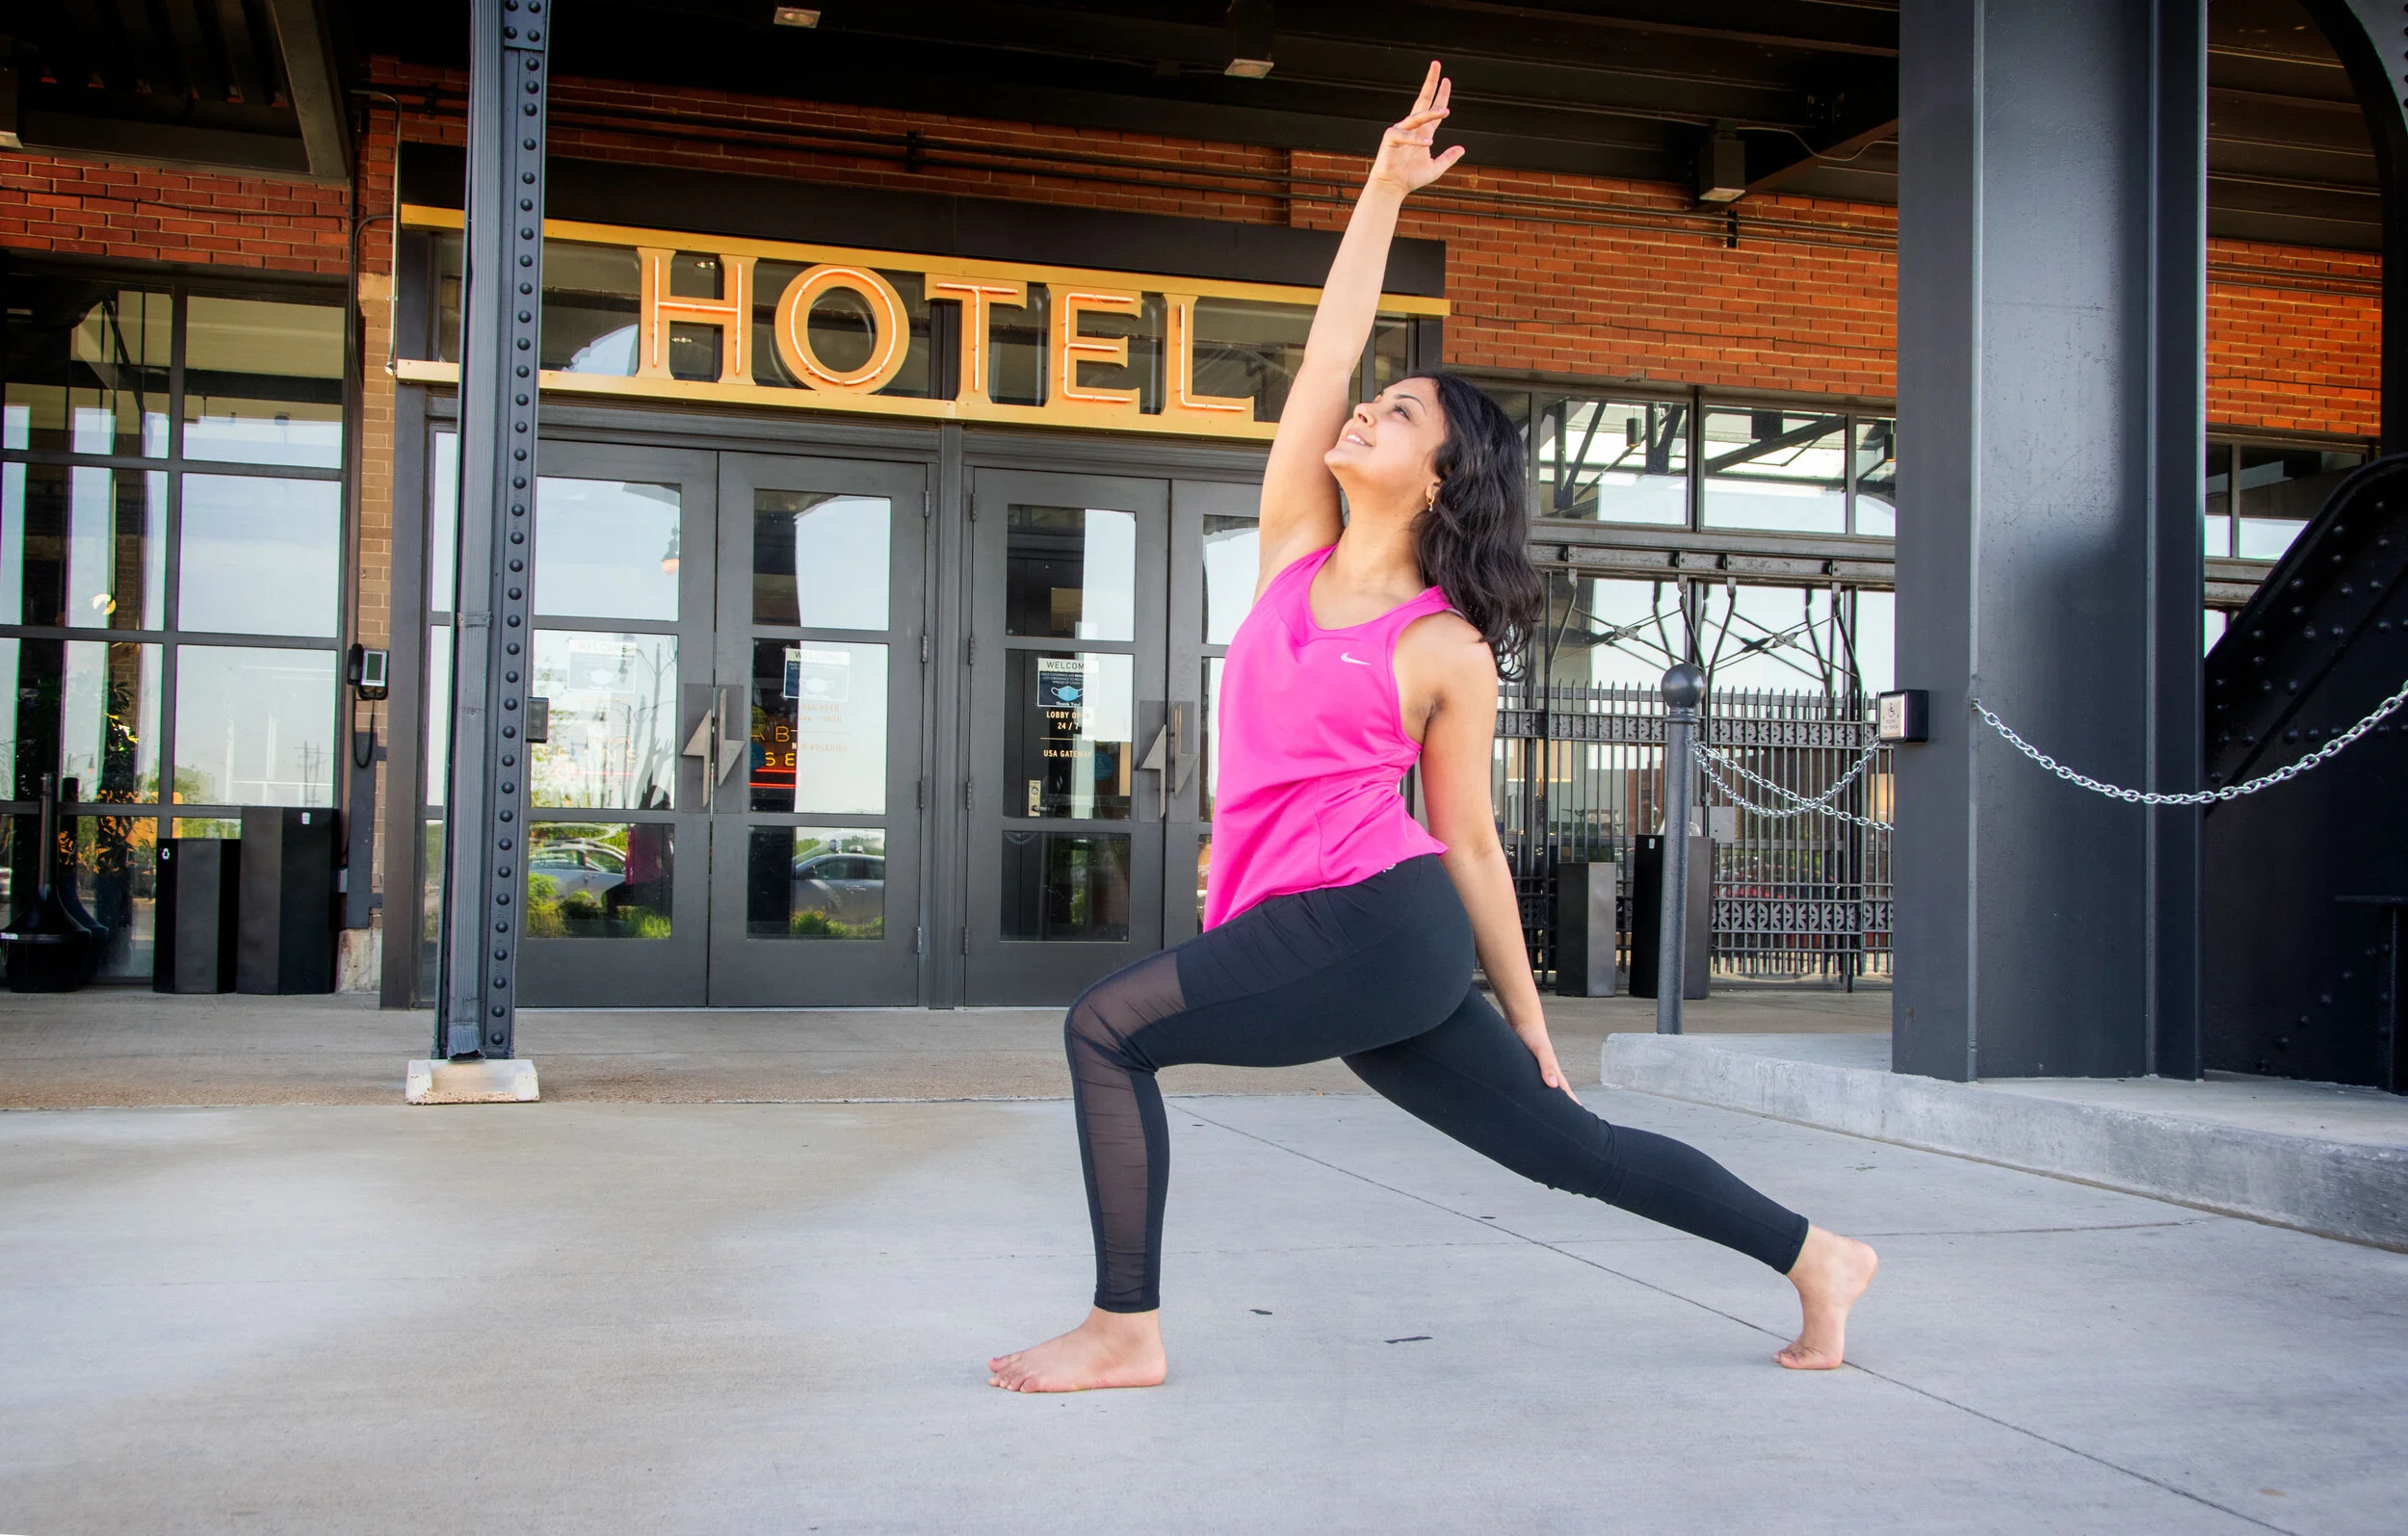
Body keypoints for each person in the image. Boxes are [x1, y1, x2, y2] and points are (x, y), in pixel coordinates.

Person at [988, 63, 1877, 1393]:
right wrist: (1381, 189)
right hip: (1336, 935)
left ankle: (1127, 1326)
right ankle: (1817, 1253)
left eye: (1401, 415)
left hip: (1376, 920)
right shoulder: (1294, 548)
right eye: (1378, 402)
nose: (1366, 410)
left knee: (1107, 1026)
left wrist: (1530, 1013)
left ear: (1444, 471)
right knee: (1564, 1150)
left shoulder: (1441, 646)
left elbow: (1468, 840)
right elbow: (1330, 349)